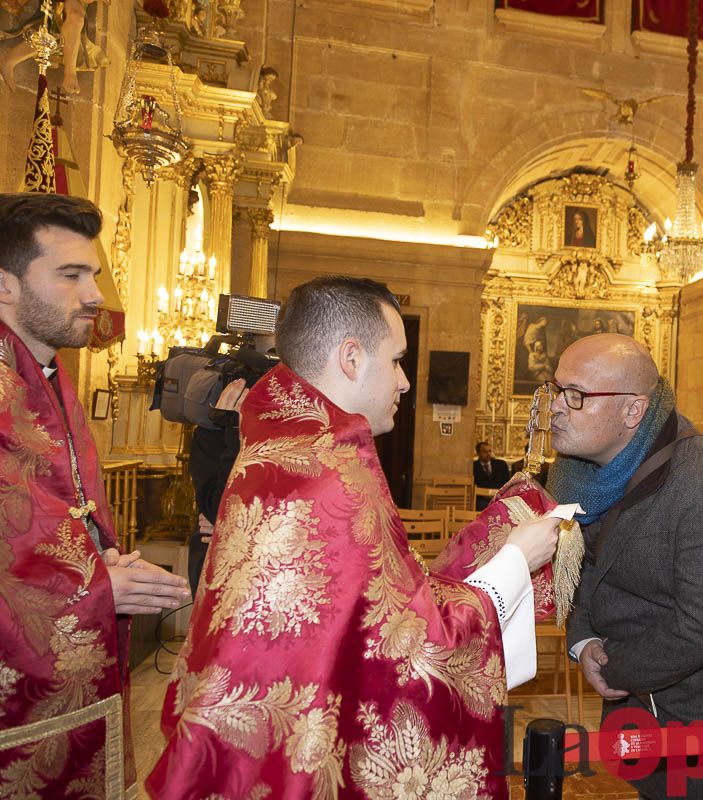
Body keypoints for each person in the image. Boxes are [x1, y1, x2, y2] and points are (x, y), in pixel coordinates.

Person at [148, 277, 561, 798]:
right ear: (351, 358)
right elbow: (411, 649)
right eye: (395, 360)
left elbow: (368, 613)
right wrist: (514, 562)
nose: (405, 381)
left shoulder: (287, 442)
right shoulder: (328, 473)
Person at [0, 192, 190, 796]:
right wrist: (94, 585)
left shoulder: (49, 377)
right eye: (70, 275)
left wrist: (100, 563)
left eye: (95, 275)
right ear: (4, 285)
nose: (95, 296)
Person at [550, 333, 703, 799]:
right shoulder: (582, 472)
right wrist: (584, 641)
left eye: (576, 395)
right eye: (554, 389)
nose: (555, 406)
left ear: (633, 411)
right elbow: (584, 563)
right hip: (644, 700)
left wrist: (613, 668)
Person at [472, 439, 510, 510]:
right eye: (485, 452)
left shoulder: (501, 465)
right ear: (478, 453)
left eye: (490, 451)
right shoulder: (473, 467)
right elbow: (474, 486)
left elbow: (507, 483)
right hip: (481, 499)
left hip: (499, 497)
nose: (488, 454)